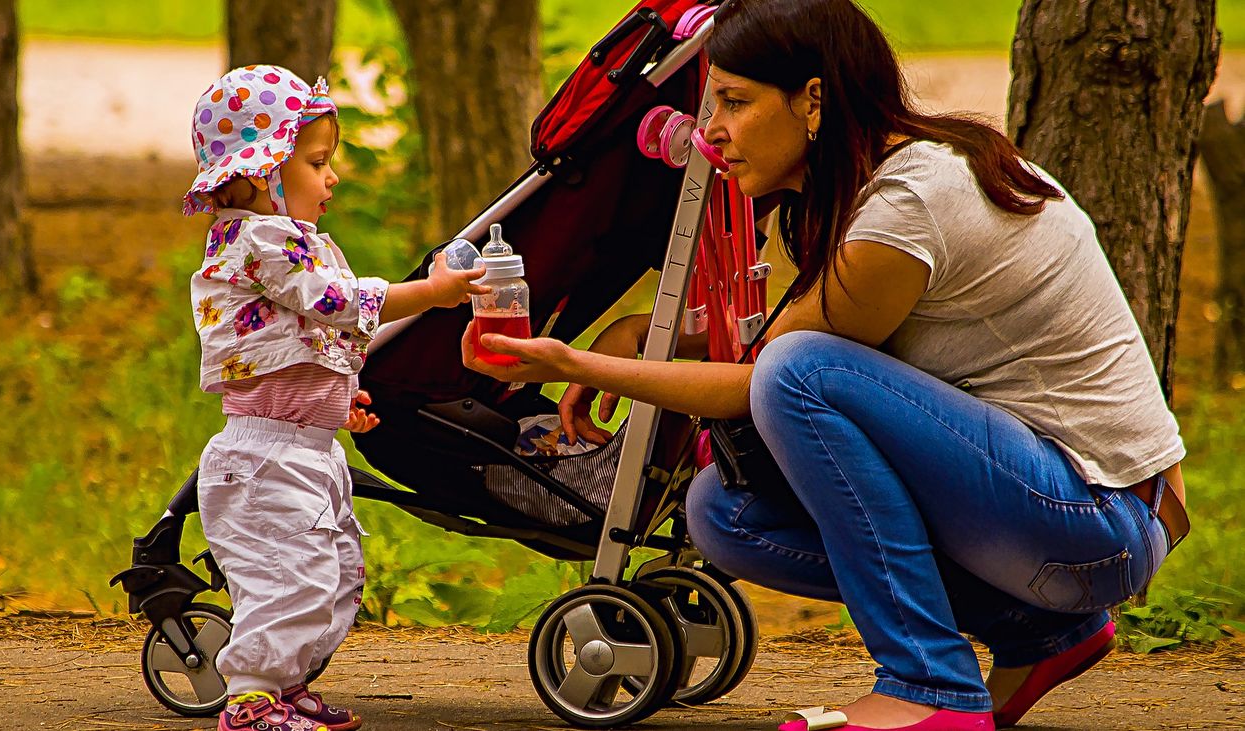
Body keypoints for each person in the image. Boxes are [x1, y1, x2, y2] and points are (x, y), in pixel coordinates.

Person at [461, 1, 1190, 729]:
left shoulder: (912, 202)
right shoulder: (887, 181)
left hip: (1096, 519)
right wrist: (639, 335)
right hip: (1062, 516)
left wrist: (569, 360)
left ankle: (928, 685)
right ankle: (1041, 636)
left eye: (735, 102)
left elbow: (771, 373)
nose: (711, 129)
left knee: (796, 373)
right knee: (722, 513)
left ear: (813, 99)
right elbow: (802, 328)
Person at [186, 64, 487, 731]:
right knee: (289, 576)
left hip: (303, 445)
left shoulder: (288, 241)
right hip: (265, 457)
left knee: (329, 571)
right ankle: (250, 699)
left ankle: (284, 686)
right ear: (259, 172)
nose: (333, 177)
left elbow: (294, 344)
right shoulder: (258, 239)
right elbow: (336, 304)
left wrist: (333, 402)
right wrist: (429, 296)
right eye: (318, 162)